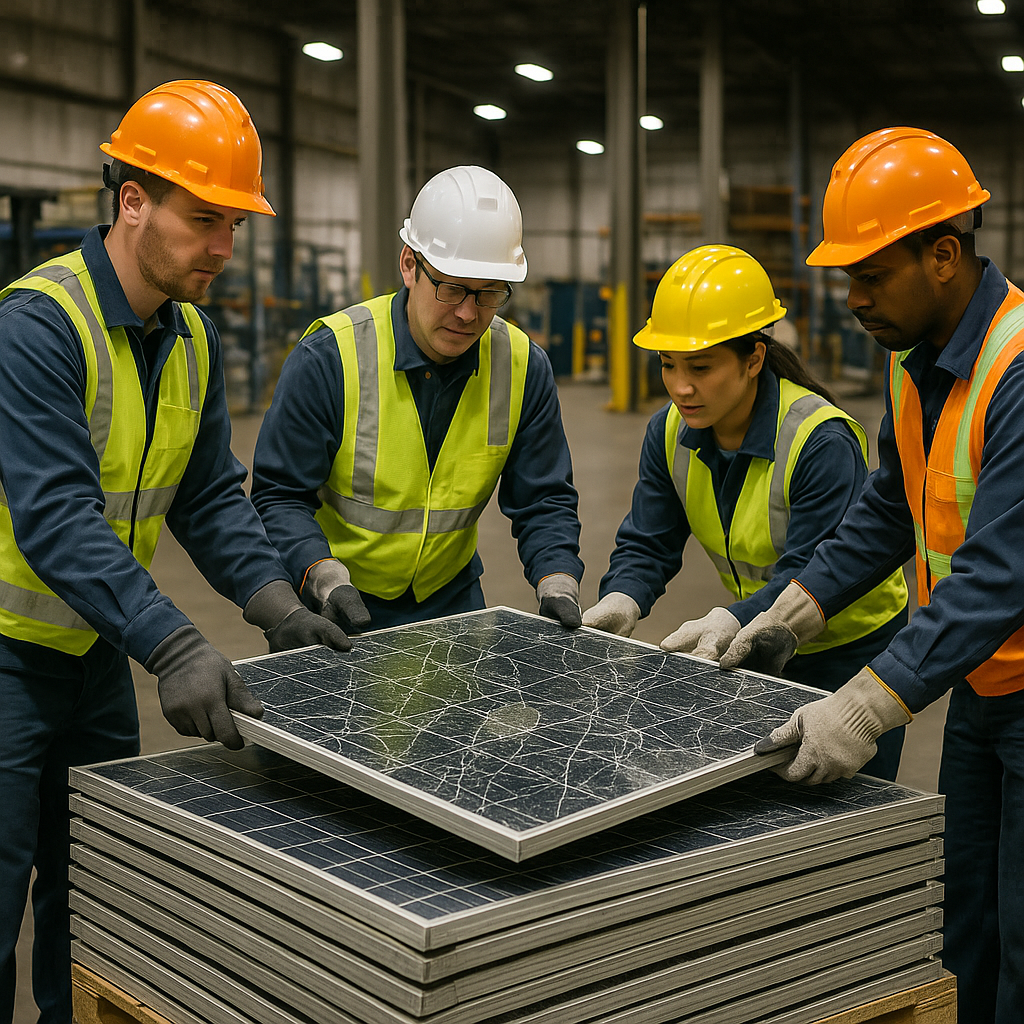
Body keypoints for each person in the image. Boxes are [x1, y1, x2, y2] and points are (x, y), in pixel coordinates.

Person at [0, 80, 350, 1024]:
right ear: (132, 202)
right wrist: (174, 642)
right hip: (5, 664)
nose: (225, 249)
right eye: (205, 220)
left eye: (234, 223)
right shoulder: (38, 326)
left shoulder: (189, 335)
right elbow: (59, 519)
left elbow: (205, 498)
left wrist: (277, 607)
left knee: (93, 905)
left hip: (92, 659)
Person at [717, 127, 1023, 1024]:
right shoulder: (911, 363)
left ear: (943, 254)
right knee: (964, 924)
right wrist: (787, 611)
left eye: (870, 275)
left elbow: (1001, 571)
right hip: (981, 690)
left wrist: (866, 703)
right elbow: (890, 509)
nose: (850, 300)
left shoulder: (1016, 368)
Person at [582, 244, 909, 779]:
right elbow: (649, 540)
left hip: (849, 655)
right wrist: (624, 595)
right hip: (756, 643)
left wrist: (731, 617)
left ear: (754, 357)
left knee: (844, 819)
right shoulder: (668, 431)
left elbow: (814, 569)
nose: (681, 387)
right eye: (668, 365)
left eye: (702, 366)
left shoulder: (818, 441)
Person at [251, 165, 584, 632]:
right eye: (451, 288)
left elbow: (543, 498)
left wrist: (558, 579)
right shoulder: (331, 357)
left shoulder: (523, 367)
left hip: (452, 599)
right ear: (410, 265)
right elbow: (280, 495)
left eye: (489, 294)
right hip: (334, 602)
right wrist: (320, 574)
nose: (468, 313)